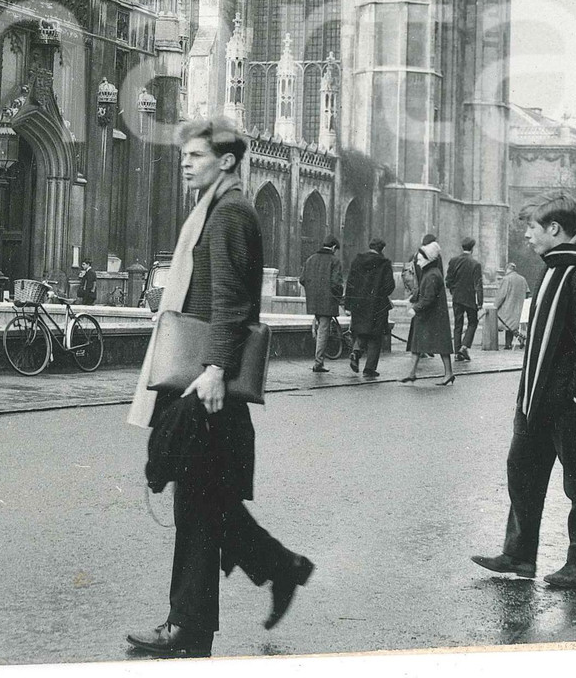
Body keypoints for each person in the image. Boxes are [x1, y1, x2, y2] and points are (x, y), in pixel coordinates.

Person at [126, 116, 313, 659]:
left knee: (198, 505)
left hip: (209, 381)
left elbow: (232, 300)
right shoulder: (217, 208)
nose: (185, 163)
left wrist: (213, 369)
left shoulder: (229, 213)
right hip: (207, 377)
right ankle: (279, 568)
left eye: (197, 155)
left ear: (226, 161)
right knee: (209, 501)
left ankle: (188, 629)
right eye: (184, 155)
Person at [471, 193, 576, 589]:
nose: (527, 236)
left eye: (532, 228)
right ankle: (519, 554)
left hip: (568, 402)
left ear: (555, 229)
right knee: (522, 471)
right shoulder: (555, 269)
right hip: (537, 398)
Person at [400, 239, 454, 385]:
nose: (417, 263)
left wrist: (415, 308)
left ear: (427, 259)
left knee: (438, 344)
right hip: (432, 315)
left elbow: (428, 298)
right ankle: (413, 373)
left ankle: (448, 373)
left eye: (419, 259)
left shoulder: (431, 275)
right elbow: (425, 293)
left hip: (432, 315)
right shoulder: (430, 272)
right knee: (421, 343)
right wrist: (414, 298)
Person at [345, 238, 396, 379]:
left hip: (359, 303)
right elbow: (389, 286)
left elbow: (350, 283)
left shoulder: (357, 261)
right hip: (377, 304)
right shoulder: (384, 263)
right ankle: (369, 368)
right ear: (382, 249)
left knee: (361, 330)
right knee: (376, 336)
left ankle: (356, 352)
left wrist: (348, 305)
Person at [300, 235, 343, 373]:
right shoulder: (334, 261)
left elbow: (302, 279)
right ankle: (318, 363)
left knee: (321, 329)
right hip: (327, 301)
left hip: (313, 301)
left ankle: (319, 361)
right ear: (334, 247)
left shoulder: (310, 259)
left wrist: (312, 290)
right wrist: (339, 297)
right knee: (323, 331)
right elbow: (336, 283)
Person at [446, 236, 484, 361]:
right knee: (473, 322)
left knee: (458, 324)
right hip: (469, 298)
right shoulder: (475, 264)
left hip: (457, 298)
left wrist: (453, 291)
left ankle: (457, 353)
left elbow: (448, 281)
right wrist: (480, 302)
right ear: (472, 248)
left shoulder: (453, 261)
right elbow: (478, 284)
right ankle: (464, 346)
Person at [494, 262, 529, 350]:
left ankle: (511, 342)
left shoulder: (506, 279)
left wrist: (495, 306)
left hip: (508, 306)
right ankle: (514, 341)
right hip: (519, 307)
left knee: (504, 323)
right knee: (511, 324)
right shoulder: (522, 279)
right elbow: (527, 292)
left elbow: (501, 295)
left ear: (507, 269)